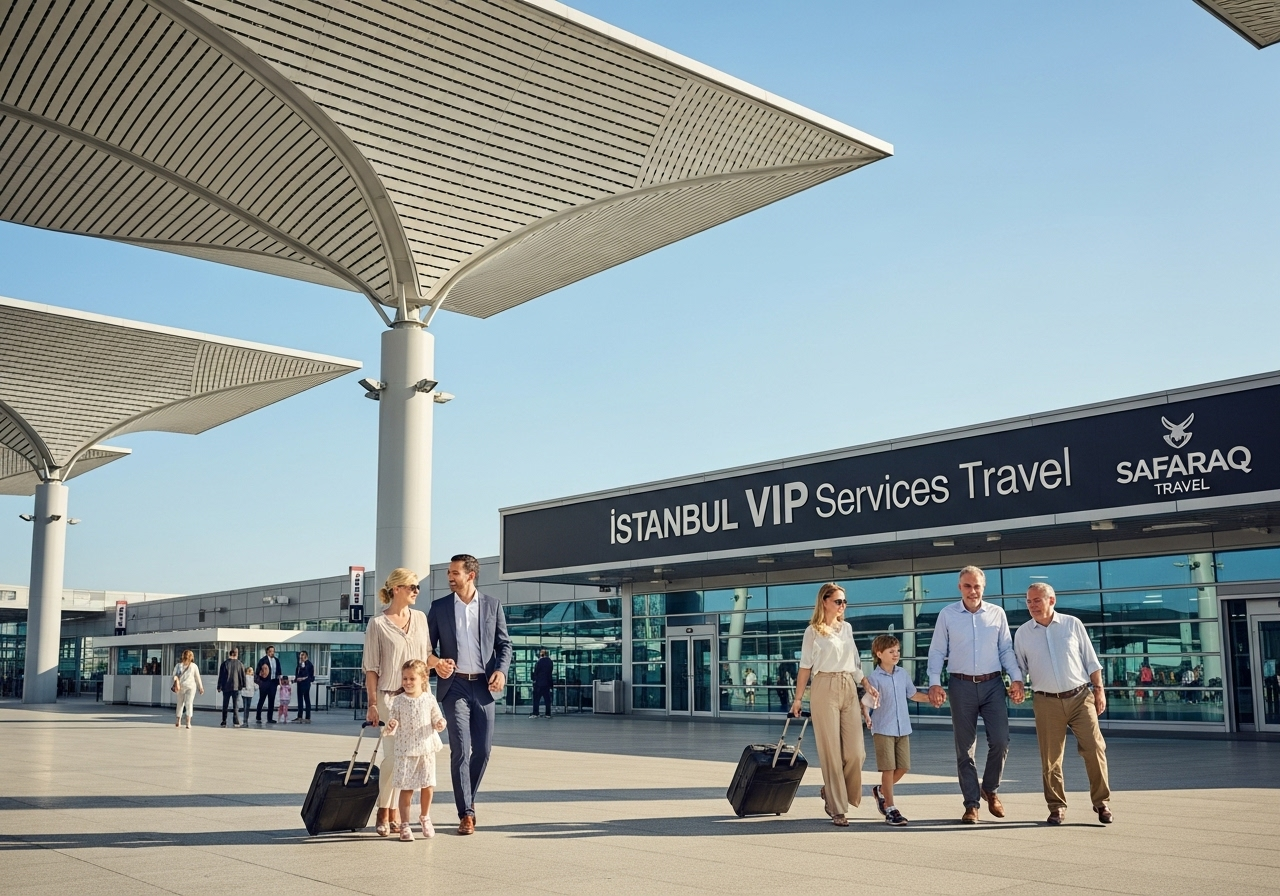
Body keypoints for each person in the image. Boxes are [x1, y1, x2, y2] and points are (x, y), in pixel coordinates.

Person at [926, 565, 1025, 823]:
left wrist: (1016, 678)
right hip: (961, 686)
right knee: (965, 749)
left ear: (984, 587)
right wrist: (935, 682)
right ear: (960, 587)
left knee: (1001, 741)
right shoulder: (947, 615)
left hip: (993, 685)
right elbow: (937, 651)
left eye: (977, 586)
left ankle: (990, 789)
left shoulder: (997, 613)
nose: (972, 591)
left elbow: (1005, 649)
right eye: (967, 586)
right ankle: (971, 804)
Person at [1013, 582, 1112, 825]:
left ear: (1051, 601)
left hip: (1080, 697)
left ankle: (1102, 803)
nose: (1032, 605)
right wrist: (1016, 685)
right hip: (1046, 702)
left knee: (1095, 748)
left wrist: (1099, 690)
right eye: (1028, 601)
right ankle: (1056, 807)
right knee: (1050, 757)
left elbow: (1091, 660)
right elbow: (1019, 669)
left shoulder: (1072, 624)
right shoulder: (1023, 633)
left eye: (1037, 600)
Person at [427, 553, 512, 835]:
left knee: (483, 751)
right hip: (455, 687)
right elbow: (425, 649)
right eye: (449, 573)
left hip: (484, 687)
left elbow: (504, 645)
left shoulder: (492, 606)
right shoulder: (439, 608)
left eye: (455, 573)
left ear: (471, 575)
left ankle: (468, 799)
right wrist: (436, 662)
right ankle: (466, 813)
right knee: (461, 750)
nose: (450, 577)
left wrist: (501, 671)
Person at [363, 567, 448, 837]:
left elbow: (427, 655)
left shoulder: (421, 619)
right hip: (391, 698)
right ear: (396, 588)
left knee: (418, 755)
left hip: (421, 699)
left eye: (417, 588)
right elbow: (371, 669)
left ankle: (402, 814)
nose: (416, 592)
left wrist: (440, 664)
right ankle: (384, 810)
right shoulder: (377, 624)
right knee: (393, 757)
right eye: (412, 587)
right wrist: (373, 703)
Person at [789, 583, 879, 827]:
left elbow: (855, 663)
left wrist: (866, 685)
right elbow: (805, 667)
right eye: (838, 601)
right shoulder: (813, 631)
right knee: (831, 752)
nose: (842, 606)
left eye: (844, 602)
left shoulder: (846, 628)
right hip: (824, 686)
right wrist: (798, 699)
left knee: (855, 753)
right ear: (825, 602)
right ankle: (837, 808)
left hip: (848, 686)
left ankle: (831, 791)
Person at [862, 634, 935, 826]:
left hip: (903, 727)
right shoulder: (874, 678)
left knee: (903, 767)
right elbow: (868, 702)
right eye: (891, 651)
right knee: (889, 769)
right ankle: (890, 808)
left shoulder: (902, 674)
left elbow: (912, 694)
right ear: (879, 654)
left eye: (898, 651)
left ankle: (881, 791)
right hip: (883, 728)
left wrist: (931, 698)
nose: (896, 654)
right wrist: (867, 715)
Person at [386, 659, 448, 841]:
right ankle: (405, 824)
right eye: (404, 679)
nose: (407, 682)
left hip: (426, 749)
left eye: (412, 679)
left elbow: (437, 717)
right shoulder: (397, 701)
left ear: (423, 679)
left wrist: (439, 723)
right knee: (407, 788)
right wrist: (392, 724)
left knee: (428, 785)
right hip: (406, 751)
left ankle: (425, 817)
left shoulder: (429, 699)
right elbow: (393, 720)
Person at [172, 649, 204, 729]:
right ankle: (188, 723)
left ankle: (178, 721)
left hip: (180, 687)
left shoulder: (179, 666)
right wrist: (200, 687)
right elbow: (197, 677)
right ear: (191, 657)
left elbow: (174, 676)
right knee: (189, 704)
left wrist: (176, 680)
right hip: (190, 687)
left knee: (180, 704)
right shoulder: (194, 666)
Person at [216, 648, 247, 727]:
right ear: (236, 654)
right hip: (236, 687)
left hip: (226, 686)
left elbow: (221, 676)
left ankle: (224, 721)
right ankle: (236, 721)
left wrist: (219, 686)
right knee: (236, 705)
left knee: (225, 704)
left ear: (229, 654)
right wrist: (244, 685)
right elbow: (242, 675)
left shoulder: (224, 664)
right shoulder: (240, 664)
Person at [255, 646, 281, 724]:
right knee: (262, 700)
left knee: (271, 701)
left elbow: (279, 671)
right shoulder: (263, 660)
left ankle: (270, 718)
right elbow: (257, 672)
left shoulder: (276, 660)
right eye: (270, 651)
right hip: (264, 683)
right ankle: (258, 716)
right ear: (267, 652)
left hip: (273, 683)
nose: (272, 653)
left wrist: (279, 680)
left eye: (273, 651)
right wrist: (260, 682)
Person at [530, 649, 553, 718]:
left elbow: (536, 672)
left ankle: (535, 713)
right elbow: (550, 674)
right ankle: (548, 714)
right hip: (547, 684)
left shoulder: (539, 662)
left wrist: (534, 679)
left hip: (538, 684)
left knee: (536, 699)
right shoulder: (550, 662)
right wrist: (551, 685)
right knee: (547, 700)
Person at [294, 650, 315, 723]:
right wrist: (296, 679)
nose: (301, 656)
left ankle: (307, 717)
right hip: (299, 684)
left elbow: (309, 675)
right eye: (300, 655)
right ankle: (299, 716)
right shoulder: (299, 664)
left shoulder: (308, 664)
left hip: (305, 684)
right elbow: (297, 673)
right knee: (300, 700)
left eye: (302, 655)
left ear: (306, 656)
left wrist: (302, 678)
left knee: (306, 699)